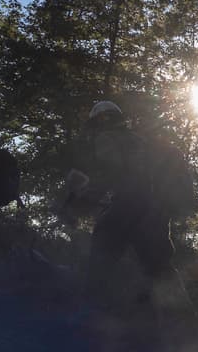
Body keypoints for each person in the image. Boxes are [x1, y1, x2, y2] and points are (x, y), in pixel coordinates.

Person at [60, 101, 189, 323]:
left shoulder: (107, 138)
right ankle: (187, 329)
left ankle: (87, 323)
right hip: (156, 212)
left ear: (101, 120)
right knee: (161, 270)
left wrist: (78, 203)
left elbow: (112, 173)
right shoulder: (141, 142)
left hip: (128, 205)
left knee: (100, 263)